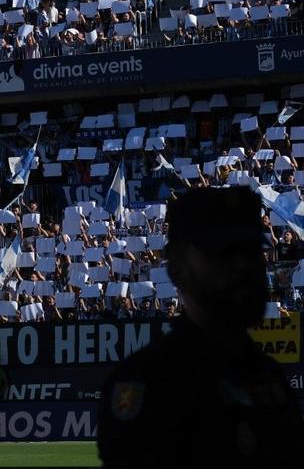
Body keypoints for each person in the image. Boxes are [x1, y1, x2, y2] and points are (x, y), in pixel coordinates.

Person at [98, 188, 304, 465]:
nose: (244, 266)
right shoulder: (148, 385)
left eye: (253, 250)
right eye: (224, 254)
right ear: (177, 272)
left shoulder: (270, 378)